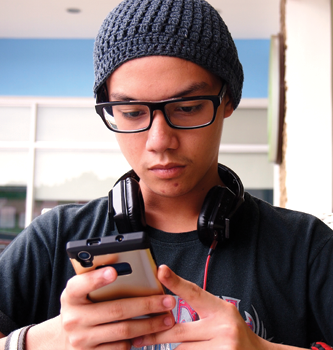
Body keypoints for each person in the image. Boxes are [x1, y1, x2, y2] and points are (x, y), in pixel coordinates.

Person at [0, 0, 333, 349]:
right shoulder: (53, 240)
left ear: (228, 100)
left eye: (187, 108)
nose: (160, 142)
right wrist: (38, 341)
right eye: (131, 113)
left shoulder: (306, 247)